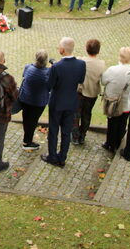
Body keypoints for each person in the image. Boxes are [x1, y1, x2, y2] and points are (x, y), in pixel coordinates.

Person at [41, 37, 85, 167]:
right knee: (66, 131)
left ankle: (52, 156)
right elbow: (81, 80)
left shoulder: (57, 67)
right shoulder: (81, 64)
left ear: (62, 49)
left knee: (54, 130)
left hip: (57, 102)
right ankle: (62, 157)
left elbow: (49, 86)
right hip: (71, 101)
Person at [100, 47, 130, 152]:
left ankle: (110, 143)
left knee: (112, 123)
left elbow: (103, 81)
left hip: (113, 102)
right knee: (122, 123)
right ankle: (118, 142)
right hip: (127, 103)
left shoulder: (113, 70)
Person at [72, 39, 105, 145]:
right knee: (87, 114)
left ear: (86, 49)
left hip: (79, 92)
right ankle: (82, 135)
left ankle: (75, 136)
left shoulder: (79, 60)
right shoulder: (101, 64)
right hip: (92, 93)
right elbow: (103, 80)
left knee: (76, 114)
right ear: (98, 51)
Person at [18, 50, 50, 150]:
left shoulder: (28, 68)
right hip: (38, 102)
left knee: (26, 118)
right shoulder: (47, 72)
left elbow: (24, 76)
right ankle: (27, 142)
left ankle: (26, 138)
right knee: (33, 121)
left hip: (25, 99)